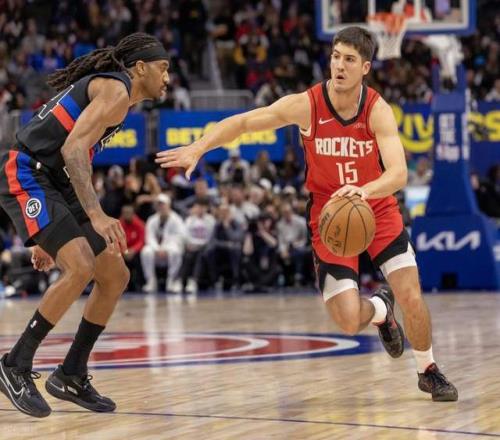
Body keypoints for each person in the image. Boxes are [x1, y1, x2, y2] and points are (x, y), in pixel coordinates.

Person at [156, 26, 458, 402]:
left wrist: (363, 191)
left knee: (411, 293)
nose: (340, 66)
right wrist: (199, 147)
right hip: (328, 216)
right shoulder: (308, 105)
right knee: (349, 320)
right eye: (336, 57)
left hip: (376, 206)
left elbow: (398, 174)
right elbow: (244, 122)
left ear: (365, 67)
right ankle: (381, 309)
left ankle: (427, 370)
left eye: (349, 60)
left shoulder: (377, 110)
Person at [0, 32, 170, 418]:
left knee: (115, 275)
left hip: (56, 182)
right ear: (140, 67)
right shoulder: (116, 90)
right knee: (80, 266)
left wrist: (47, 235)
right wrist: (95, 214)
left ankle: (71, 373)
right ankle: (14, 364)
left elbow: (73, 154)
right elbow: (72, 150)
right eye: (162, 68)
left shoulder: (118, 96)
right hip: (28, 171)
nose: (167, 78)